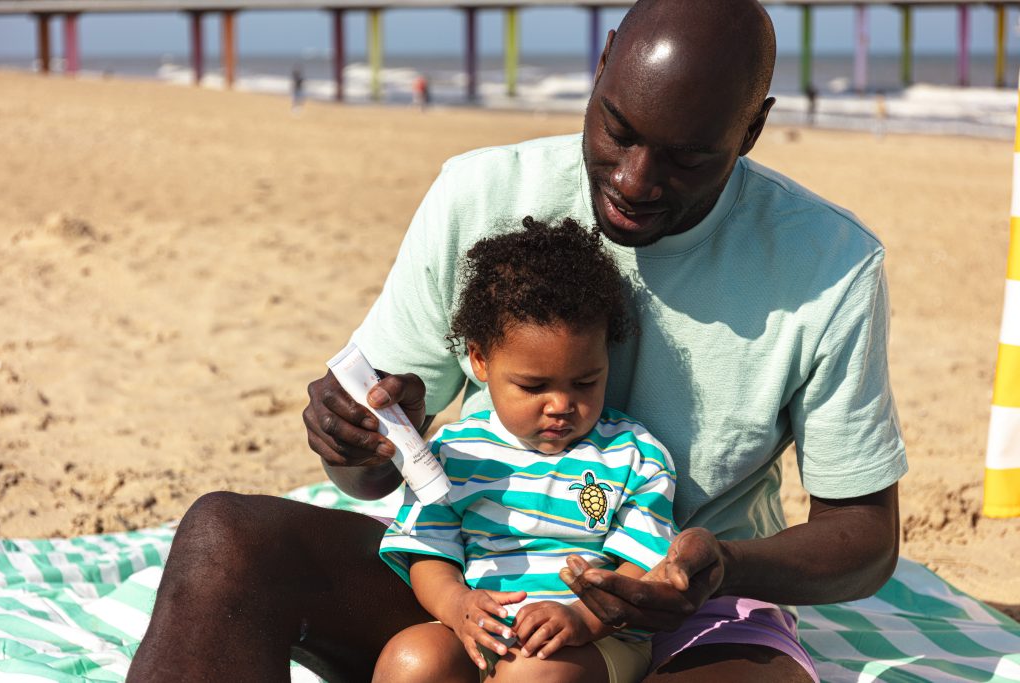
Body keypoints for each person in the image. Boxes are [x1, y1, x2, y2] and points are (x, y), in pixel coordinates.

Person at [128, 1, 906, 681]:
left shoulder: (828, 266)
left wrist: (721, 564)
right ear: (601, 67)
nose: (635, 180)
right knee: (223, 539)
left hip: (695, 614)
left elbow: (865, 539)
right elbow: (380, 483)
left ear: (753, 127)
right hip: (481, 581)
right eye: (618, 130)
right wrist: (352, 445)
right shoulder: (480, 194)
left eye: (687, 156)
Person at [373, 217, 677, 683]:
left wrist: (582, 617)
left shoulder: (634, 455)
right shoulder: (456, 451)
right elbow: (427, 549)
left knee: (530, 676)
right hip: (478, 628)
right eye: (533, 386)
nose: (560, 405)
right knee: (411, 658)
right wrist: (456, 605)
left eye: (586, 381)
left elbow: (642, 565)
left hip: (595, 641)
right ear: (480, 360)